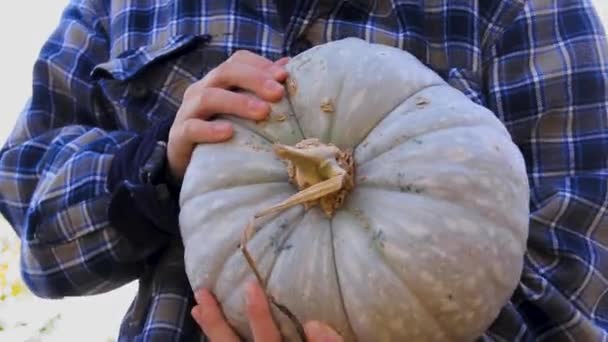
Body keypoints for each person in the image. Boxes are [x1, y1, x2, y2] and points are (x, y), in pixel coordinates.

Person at [1, 0, 607, 340]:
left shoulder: (521, 10)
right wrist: (153, 166)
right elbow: (30, 207)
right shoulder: (123, 6)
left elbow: (583, 288)